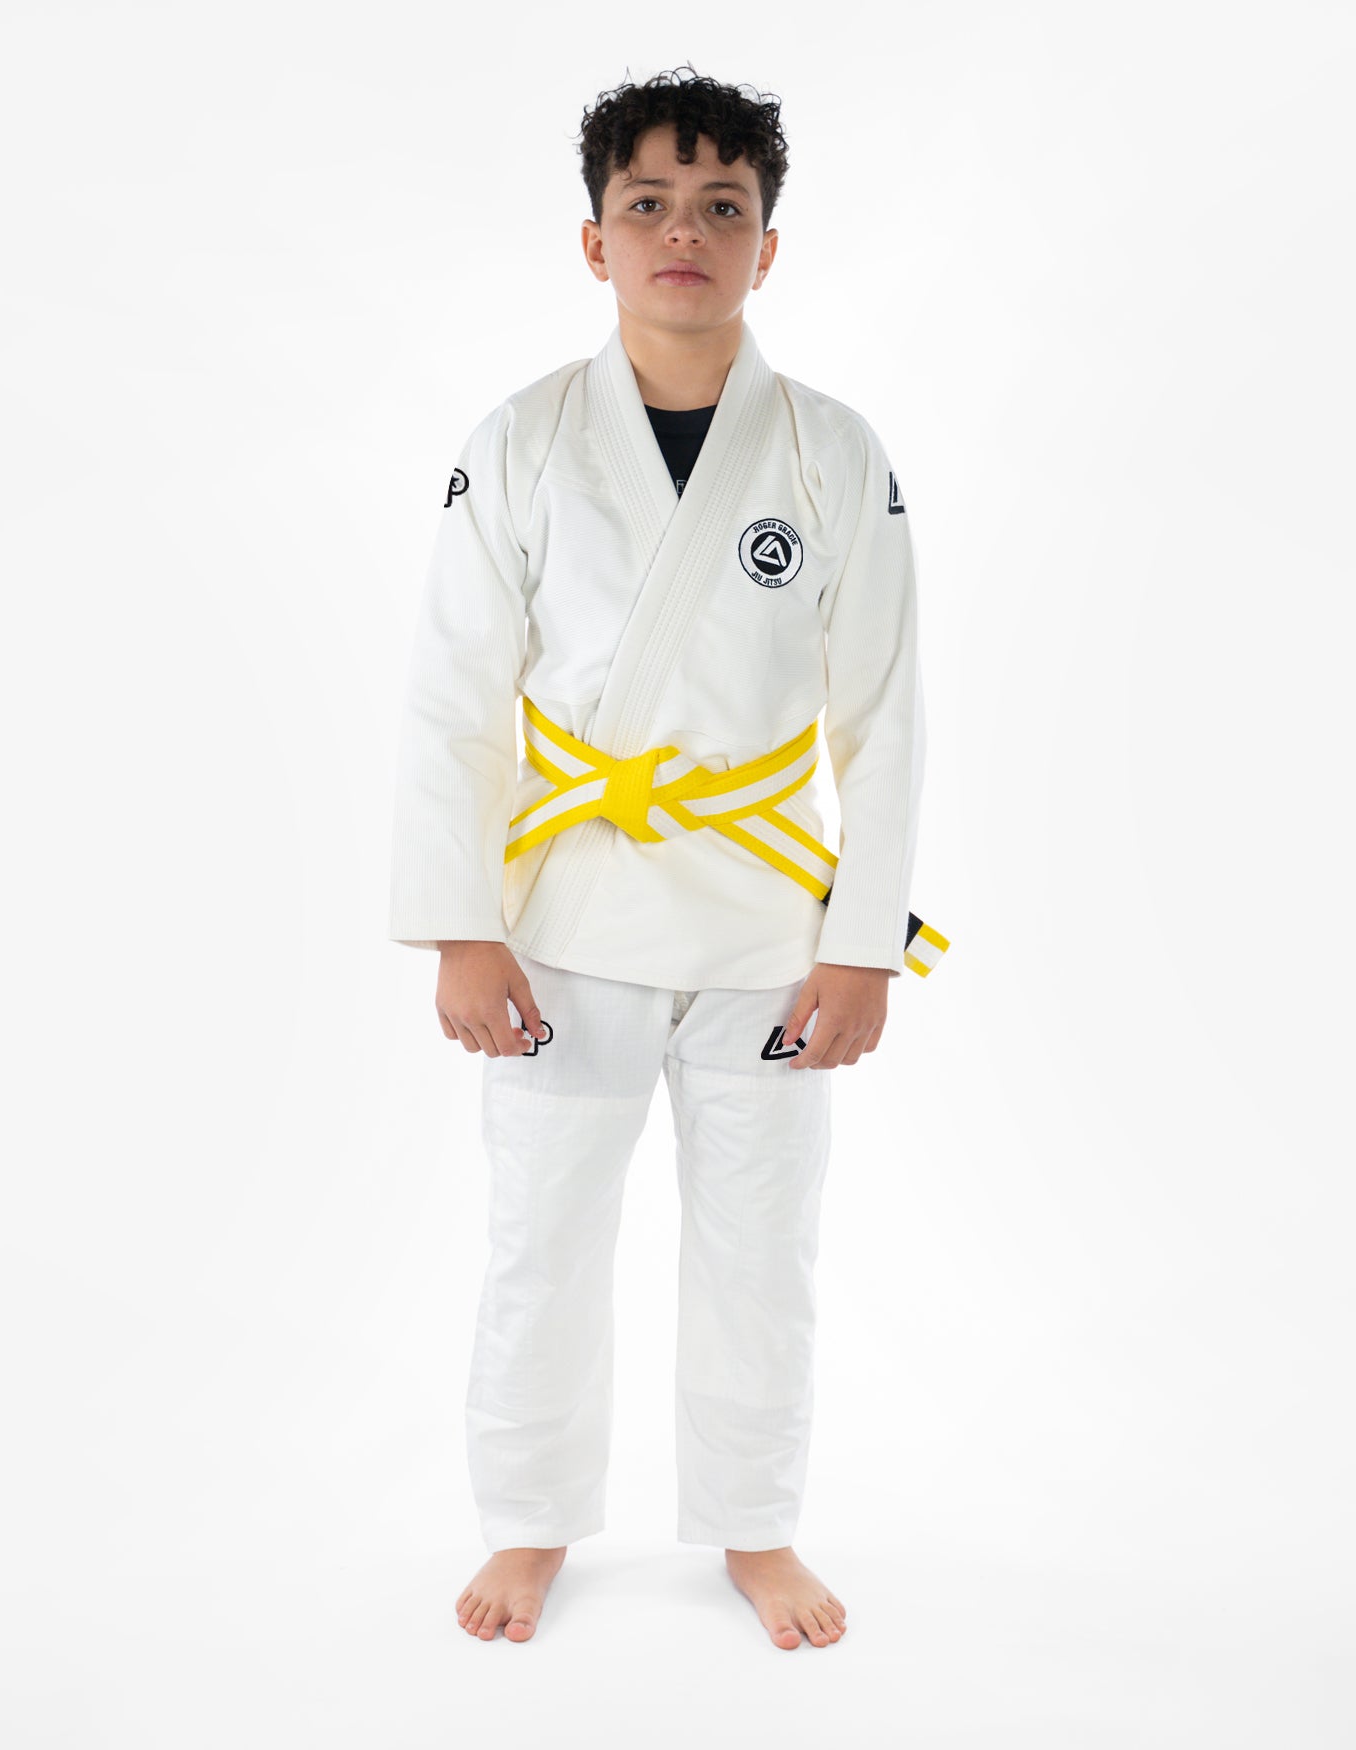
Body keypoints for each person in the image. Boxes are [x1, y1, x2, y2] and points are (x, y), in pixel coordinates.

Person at [388, 64, 946, 1651]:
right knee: (542, 1237)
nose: (683, 232)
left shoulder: (833, 451)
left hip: (769, 929)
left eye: (722, 206)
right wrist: (458, 922)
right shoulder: (521, 440)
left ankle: (756, 1527)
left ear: (768, 244)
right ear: (596, 241)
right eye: (649, 205)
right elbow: (452, 697)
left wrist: (864, 940)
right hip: (562, 924)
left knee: (764, 1247)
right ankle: (530, 1520)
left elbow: (886, 711)